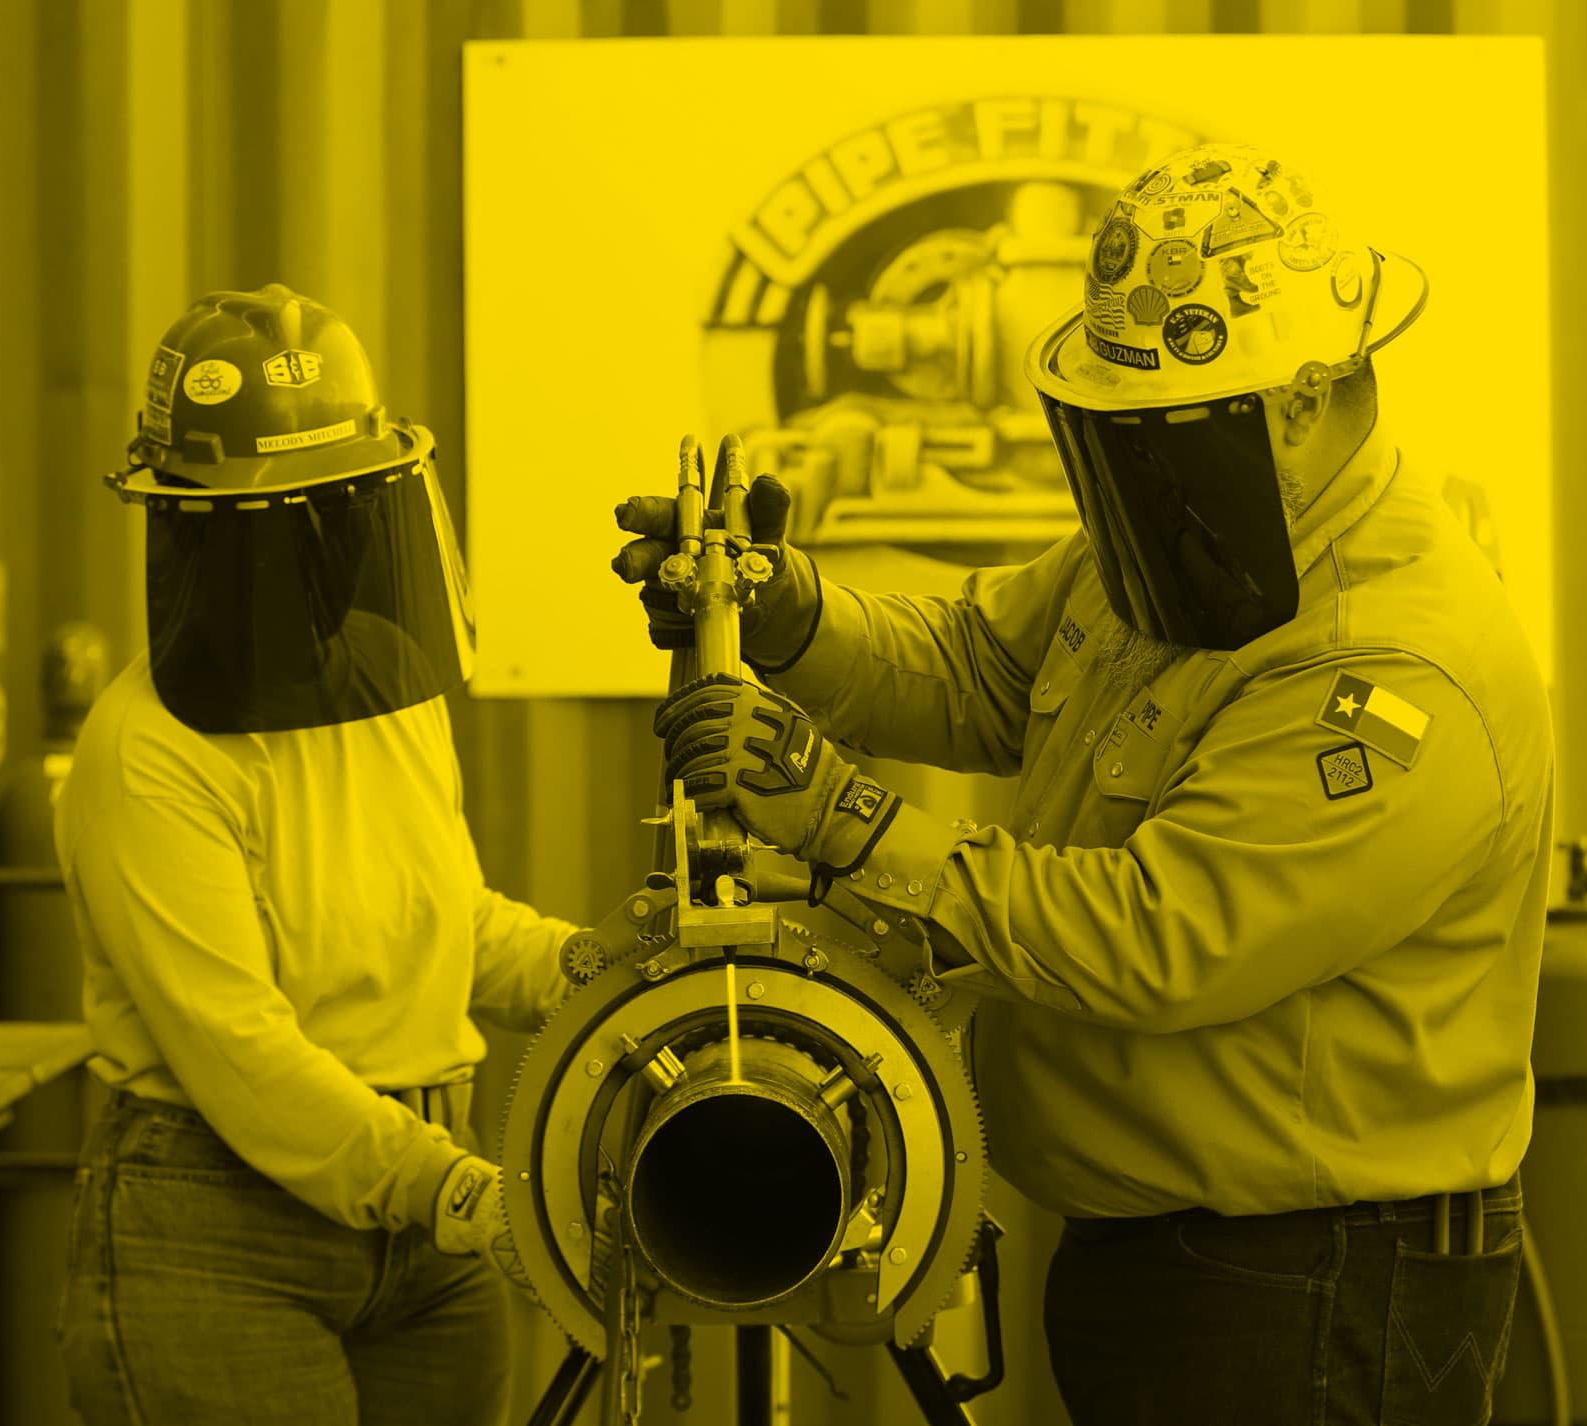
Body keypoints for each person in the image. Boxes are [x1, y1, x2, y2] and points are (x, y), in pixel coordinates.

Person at [618, 145, 1553, 1425]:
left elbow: (1160, 934)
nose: (1136, 463)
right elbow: (981, 669)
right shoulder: (1207, 529)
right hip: (1180, 1265)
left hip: (1317, 1287)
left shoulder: (1394, 666)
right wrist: (789, 614)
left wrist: (842, 821)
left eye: (1170, 427)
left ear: (1302, 397)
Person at [55, 285, 569, 1425]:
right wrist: (455, 1189)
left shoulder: (389, 687)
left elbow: (448, 920)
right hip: (220, 1233)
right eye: (277, 516)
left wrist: (608, 965)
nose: (314, 543)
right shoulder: (145, 751)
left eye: (335, 508)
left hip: (432, 1210)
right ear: (194, 524)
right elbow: (238, 1048)